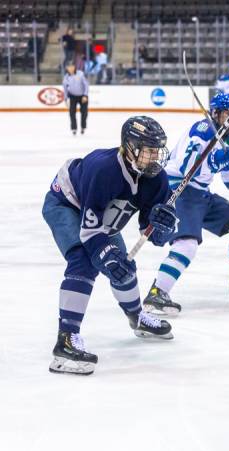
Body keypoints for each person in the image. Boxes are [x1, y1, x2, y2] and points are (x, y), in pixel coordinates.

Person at [41, 116, 178, 375]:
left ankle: (137, 318)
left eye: (157, 150)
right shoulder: (103, 169)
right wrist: (106, 255)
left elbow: (156, 238)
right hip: (67, 204)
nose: (155, 157)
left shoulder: (156, 179)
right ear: (130, 148)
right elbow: (90, 230)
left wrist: (165, 226)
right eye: (148, 150)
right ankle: (65, 342)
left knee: (123, 267)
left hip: (103, 215)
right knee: (84, 261)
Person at [144, 93, 229, 315]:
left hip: (201, 194)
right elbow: (187, 168)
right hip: (178, 189)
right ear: (216, 113)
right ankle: (157, 293)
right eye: (228, 115)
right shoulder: (202, 131)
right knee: (186, 244)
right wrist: (212, 161)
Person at [62, 63, 89, 135]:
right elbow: (65, 89)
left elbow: (86, 85)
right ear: (67, 68)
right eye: (68, 67)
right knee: (72, 112)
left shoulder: (80, 74)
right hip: (72, 96)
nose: (70, 68)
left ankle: (83, 127)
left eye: (71, 67)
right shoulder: (66, 77)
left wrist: (85, 95)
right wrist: (65, 99)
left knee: (84, 112)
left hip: (82, 96)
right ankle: (74, 128)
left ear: (74, 67)